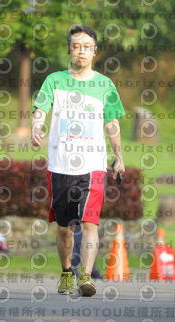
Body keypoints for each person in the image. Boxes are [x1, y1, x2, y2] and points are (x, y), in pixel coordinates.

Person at [31, 25, 125, 297]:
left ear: (95, 51)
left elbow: (112, 123)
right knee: (64, 229)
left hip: (93, 164)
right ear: (69, 50)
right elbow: (41, 110)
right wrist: (37, 126)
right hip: (60, 165)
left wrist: (118, 156)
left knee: (90, 222)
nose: (81, 51)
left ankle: (86, 275)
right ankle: (66, 271)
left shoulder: (105, 85)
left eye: (86, 46)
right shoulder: (54, 80)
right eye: (76, 46)